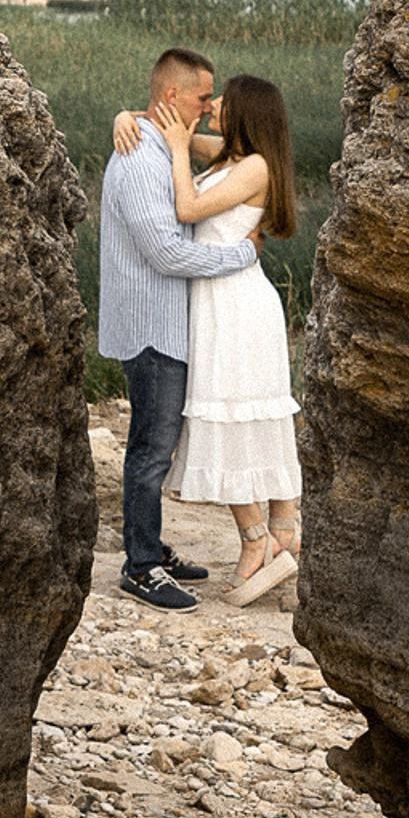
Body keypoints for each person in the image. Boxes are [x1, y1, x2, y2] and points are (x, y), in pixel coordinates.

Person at [126, 73, 303, 605]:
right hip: (219, 301)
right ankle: (279, 534)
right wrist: (124, 119)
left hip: (236, 305)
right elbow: (158, 127)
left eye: (223, 99)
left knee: (233, 418)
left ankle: (260, 541)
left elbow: (187, 209)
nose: (213, 104)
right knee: (240, 418)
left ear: (246, 112)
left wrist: (180, 150)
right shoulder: (232, 156)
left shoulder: (255, 167)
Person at [99, 46, 261, 611]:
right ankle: (141, 567)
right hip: (152, 327)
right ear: (173, 96)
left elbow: (235, 156)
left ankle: (151, 547)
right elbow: (166, 253)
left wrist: (129, 114)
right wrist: (243, 255)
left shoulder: (158, 144)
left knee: (159, 445)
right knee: (150, 449)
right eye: (202, 97)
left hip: (170, 323)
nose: (210, 106)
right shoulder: (138, 159)